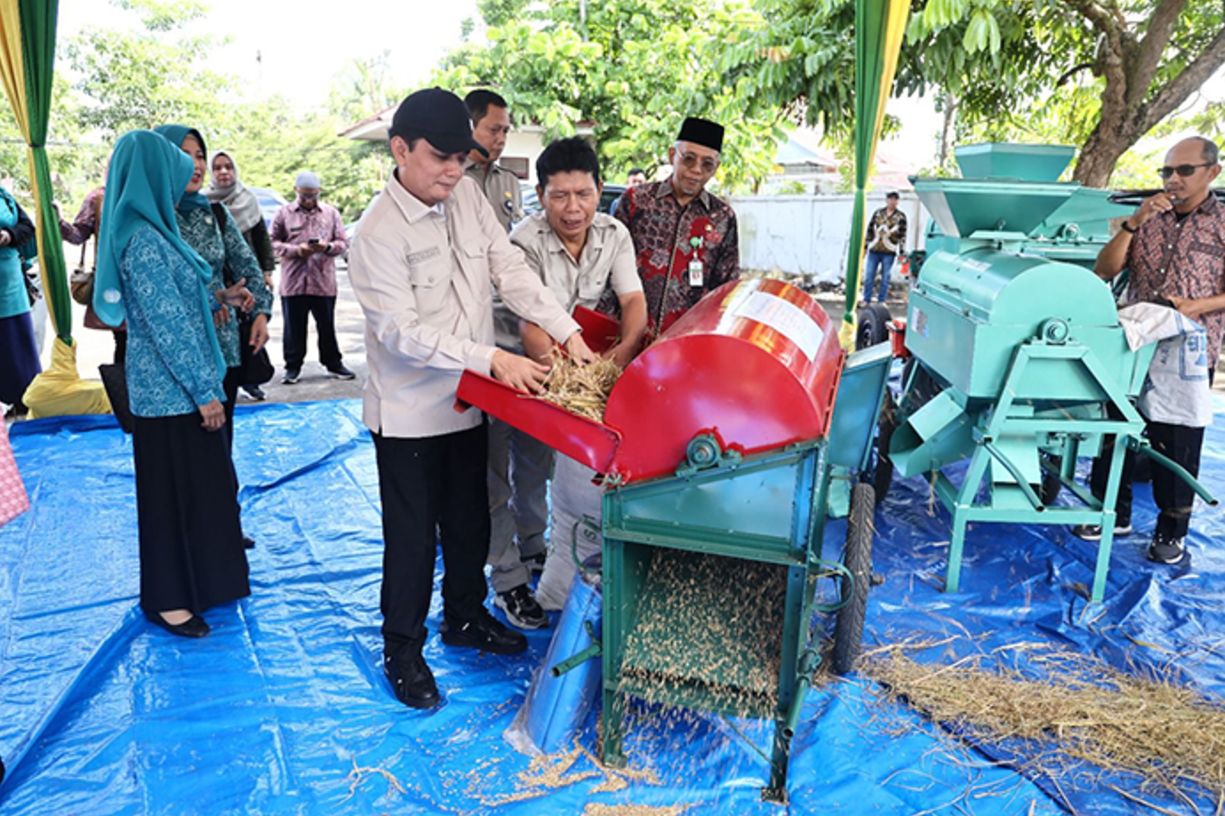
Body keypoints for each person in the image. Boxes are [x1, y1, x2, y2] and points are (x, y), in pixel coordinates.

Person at [347, 87, 596, 709]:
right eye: (440, 158)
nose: (454, 171)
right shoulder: (375, 234)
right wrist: (492, 358)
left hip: (470, 402)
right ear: (400, 150)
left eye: (462, 157)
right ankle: (402, 649)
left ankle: (464, 617)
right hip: (409, 413)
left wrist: (569, 334)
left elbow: (508, 269)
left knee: (470, 522)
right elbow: (400, 333)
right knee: (411, 540)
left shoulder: (464, 200)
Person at [93, 129, 251, 637]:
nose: (190, 173)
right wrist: (204, 391)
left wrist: (218, 299)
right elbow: (167, 327)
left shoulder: (156, 230)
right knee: (169, 499)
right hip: (169, 395)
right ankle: (168, 598)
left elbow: (182, 304)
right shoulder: (140, 238)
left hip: (179, 387)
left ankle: (202, 581)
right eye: (177, 167)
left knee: (197, 491)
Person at [512, 137, 647, 612]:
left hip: (584, 357)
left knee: (574, 471)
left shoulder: (614, 234)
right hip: (526, 364)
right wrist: (565, 389)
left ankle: (562, 562)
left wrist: (622, 356)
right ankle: (521, 563)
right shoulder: (523, 241)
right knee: (526, 466)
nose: (574, 209)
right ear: (540, 194)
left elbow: (632, 302)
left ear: (599, 190)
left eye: (583, 195)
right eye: (560, 196)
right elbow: (530, 321)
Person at [1076, 136, 1224, 566]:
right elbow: (1104, 270)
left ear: (1212, 172)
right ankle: (1111, 513)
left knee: (1177, 434)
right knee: (1117, 423)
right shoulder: (1149, 218)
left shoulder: (1222, 221)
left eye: (1184, 170)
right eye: (1166, 171)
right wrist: (1134, 223)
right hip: (1136, 339)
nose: (1172, 180)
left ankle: (1171, 530)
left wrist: (1195, 307)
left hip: (1189, 346)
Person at [155, 124, 271, 551]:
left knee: (221, 442)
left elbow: (248, 265)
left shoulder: (214, 213)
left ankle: (223, 523)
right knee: (184, 450)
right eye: (186, 155)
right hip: (173, 357)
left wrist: (260, 311)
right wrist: (212, 295)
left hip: (221, 348)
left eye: (200, 154)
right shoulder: (152, 218)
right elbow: (159, 292)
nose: (198, 165)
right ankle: (192, 535)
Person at [613, 116, 739, 336]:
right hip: (627, 334)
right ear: (673, 155)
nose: (697, 170)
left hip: (685, 342)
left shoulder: (722, 217)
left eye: (707, 164)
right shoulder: (636, 201)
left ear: (716, 168)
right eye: (689, 159)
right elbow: (608, 265)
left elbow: (725, 289)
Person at [269, 171, 352, 384]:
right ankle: (292, 367)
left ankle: (333, 363)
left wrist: (327, 247)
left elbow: (343, 243)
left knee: (327, 326)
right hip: (294, 282)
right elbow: (271, 243)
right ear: (296, 191)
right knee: (293, 328)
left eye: (313, 195)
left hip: (323, 281)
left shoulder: (331, 214)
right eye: (305, 195)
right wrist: (297, 250)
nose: (309, 200)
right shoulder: (283, 213)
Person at [207, 149, 276, 400]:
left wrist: (265, 271)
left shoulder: (248, 200)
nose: (223, 172)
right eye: (217, 168)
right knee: (223, 331)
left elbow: (261, 239)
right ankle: (229, 381)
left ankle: (250, 377)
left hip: (246, 278)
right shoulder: (204, 205)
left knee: (249, 329)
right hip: (218, 282)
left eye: (228, 166)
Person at [59, 185, 128, 364]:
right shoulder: (99, 198)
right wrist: (59, 221)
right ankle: (122, 391)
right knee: (124, 343)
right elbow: (77, 235)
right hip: (114, 283)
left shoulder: (151, 191)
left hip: (148, 281)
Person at [0, 184, 40, 418]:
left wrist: (8, 235)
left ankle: (24, 400)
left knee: (18, 345)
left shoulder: (5, 197)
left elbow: (27, 228)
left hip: (11, 287)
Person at [464, 89, 521, 233]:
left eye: (505, 132)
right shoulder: (449, 177)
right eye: (494, 130)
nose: (501, 140)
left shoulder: (509, 181)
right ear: (469, 128)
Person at [861, 191, 907, 304]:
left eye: (895, 199)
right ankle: (866, 299)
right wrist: (865, 246)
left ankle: (881, 300)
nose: (892, 202)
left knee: (885, 277)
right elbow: (870, 230)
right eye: (890, 199)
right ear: (886, 200)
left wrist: (901, 252)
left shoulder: (901, 216)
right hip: (874, 249)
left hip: (889, 250)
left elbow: (903, 235)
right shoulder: (878, 213)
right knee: (869, 275)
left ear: (897, 201)